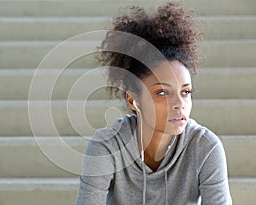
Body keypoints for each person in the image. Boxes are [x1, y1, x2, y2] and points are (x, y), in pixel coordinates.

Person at [75, 2, 232, 205]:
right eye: (162, 92)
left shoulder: (205, 147)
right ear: (133, 100)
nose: (179, 104)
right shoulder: (106, 146)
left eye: (185, 92)